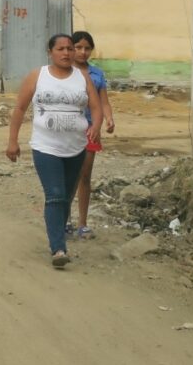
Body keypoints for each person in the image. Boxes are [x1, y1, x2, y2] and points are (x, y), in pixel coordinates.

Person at [6, 34, 103, 269]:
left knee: (67, 196)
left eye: (70, 48)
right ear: (50, 51)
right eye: (61, 49)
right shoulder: (38, 76)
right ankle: (58, 248)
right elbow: (20, 108)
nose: (67, 53)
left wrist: (96, 126)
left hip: (76, 147)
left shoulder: (82, 77)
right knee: (56, 194)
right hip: (45, 147)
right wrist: (12, 141)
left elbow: (96, 107)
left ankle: (58, 232)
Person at [70, 31, 115, 240]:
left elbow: (103, 100)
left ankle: (82, 223)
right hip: (68, 129)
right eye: (78, 47)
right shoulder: (64, 72)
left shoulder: (96, 74)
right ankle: (63, 220)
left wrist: (109, 118)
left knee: (84, 176)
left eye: (87, 48)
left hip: (91, 129)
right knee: (68, 177)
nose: (82, 52)